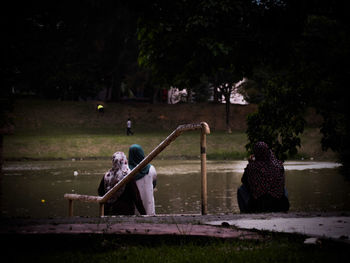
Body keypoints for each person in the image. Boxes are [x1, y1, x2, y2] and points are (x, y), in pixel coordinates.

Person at [237, 141, 290, 213]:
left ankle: (245, 212)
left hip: (258, 205)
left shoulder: (252, 166)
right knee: (283, 188)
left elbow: (244, 181)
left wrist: (249, 164)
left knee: (241, 189)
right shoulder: (279, 165)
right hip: (280, 204)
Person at [128, 144, 157, 215]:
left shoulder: (127, 171)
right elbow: (154, 184)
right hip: (149, 208)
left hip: (133, 210)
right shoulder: (151, 169)